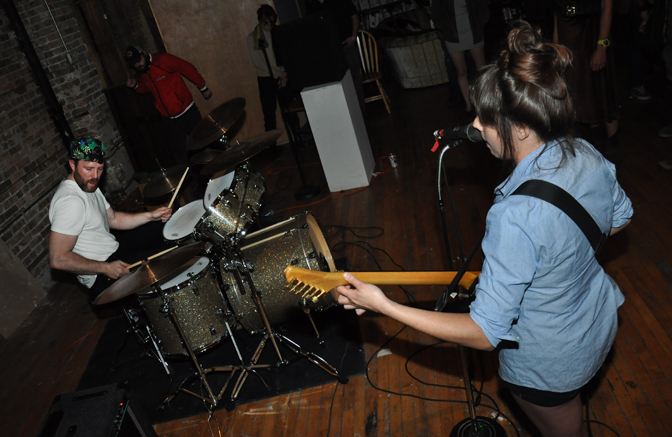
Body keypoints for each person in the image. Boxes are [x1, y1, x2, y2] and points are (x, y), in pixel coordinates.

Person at [336, 21, 633, 437]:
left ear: (523, 127)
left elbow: (483, 334)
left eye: (486, 119)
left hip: (550, 361)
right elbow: (620, 218)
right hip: (597, 321)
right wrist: (564, 263)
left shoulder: (515, 216)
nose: (475, 126)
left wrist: (384, 307)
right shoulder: (581, 150)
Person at [49, 137, 173, 303]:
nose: (95, 176)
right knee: (167, 262)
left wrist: (151, 215)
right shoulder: (71, 202)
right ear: (72, 164)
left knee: (165, 230)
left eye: (99, 169)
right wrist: (105, 268)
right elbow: (58, 258)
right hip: (101, 274)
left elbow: (113, 219)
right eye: (88, 169)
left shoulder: (88, 185)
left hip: (114, 249)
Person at [554, 0, 620, 163]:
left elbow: (607, 5)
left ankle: (610, 151)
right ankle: (586, 154)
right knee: (574, 94)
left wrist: (601, 47)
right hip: (567, 36)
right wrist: (556, 45)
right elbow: (557, 9)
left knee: (600, 93)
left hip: (590, 34)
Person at [125, 46, 213, 166]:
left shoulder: (163, 60)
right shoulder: (144, 72)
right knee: (179, 154)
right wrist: (136, 86)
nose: (138, 65)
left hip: (187, 111)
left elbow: (186, 68)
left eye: (138, 60)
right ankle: (192, 181)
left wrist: (202, 87)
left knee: (203, 144)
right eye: (134, 64)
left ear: (144, 53)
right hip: (169, 119)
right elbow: (147, 88)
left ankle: (217, 170)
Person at [306, 0, 365, 114]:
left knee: (355, 80)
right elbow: (310, 25)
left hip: (346, 46)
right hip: (329, 52)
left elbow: (354, 16)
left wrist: (353, 37)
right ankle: (347, 114)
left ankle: (361, 114)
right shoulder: (311, 4)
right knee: (338, 84)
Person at [431, 0, 488, 115]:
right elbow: (435, 13)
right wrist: (444, 28)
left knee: (481, 68)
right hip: (453, 36)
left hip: (473, 32)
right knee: (461, 71)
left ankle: (486, 102)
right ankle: (468, 104)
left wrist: (481, 24)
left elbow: (482, 7)